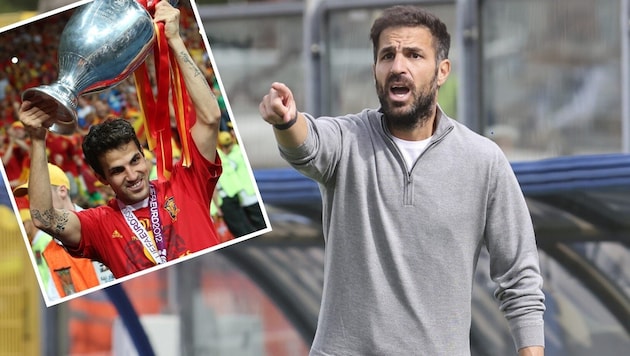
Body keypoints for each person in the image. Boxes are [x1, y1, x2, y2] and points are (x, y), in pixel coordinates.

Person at [259, 5, 545, 356]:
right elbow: (307, 145)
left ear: (442, 72)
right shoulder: (349, 139)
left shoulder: (482, 160)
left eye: (413, 55)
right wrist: (286, 121)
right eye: (387, 55)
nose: (398, 66)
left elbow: (520, 278)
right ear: (375, 69)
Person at [18, 0, 222, 278]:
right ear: (103, 179)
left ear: (144, 155)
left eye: (134, 160)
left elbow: (210, 118)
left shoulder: (187, 185)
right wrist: (37, 139)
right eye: (117, 170)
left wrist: (174, 39)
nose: (132, 174)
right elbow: (44, 218)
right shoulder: (99, 224)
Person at [14, 163, 115, 301]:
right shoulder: (49, 251)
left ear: (62, 191)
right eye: (31, 197)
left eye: (39, 194)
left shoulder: (104, 224)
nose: (34, 204)